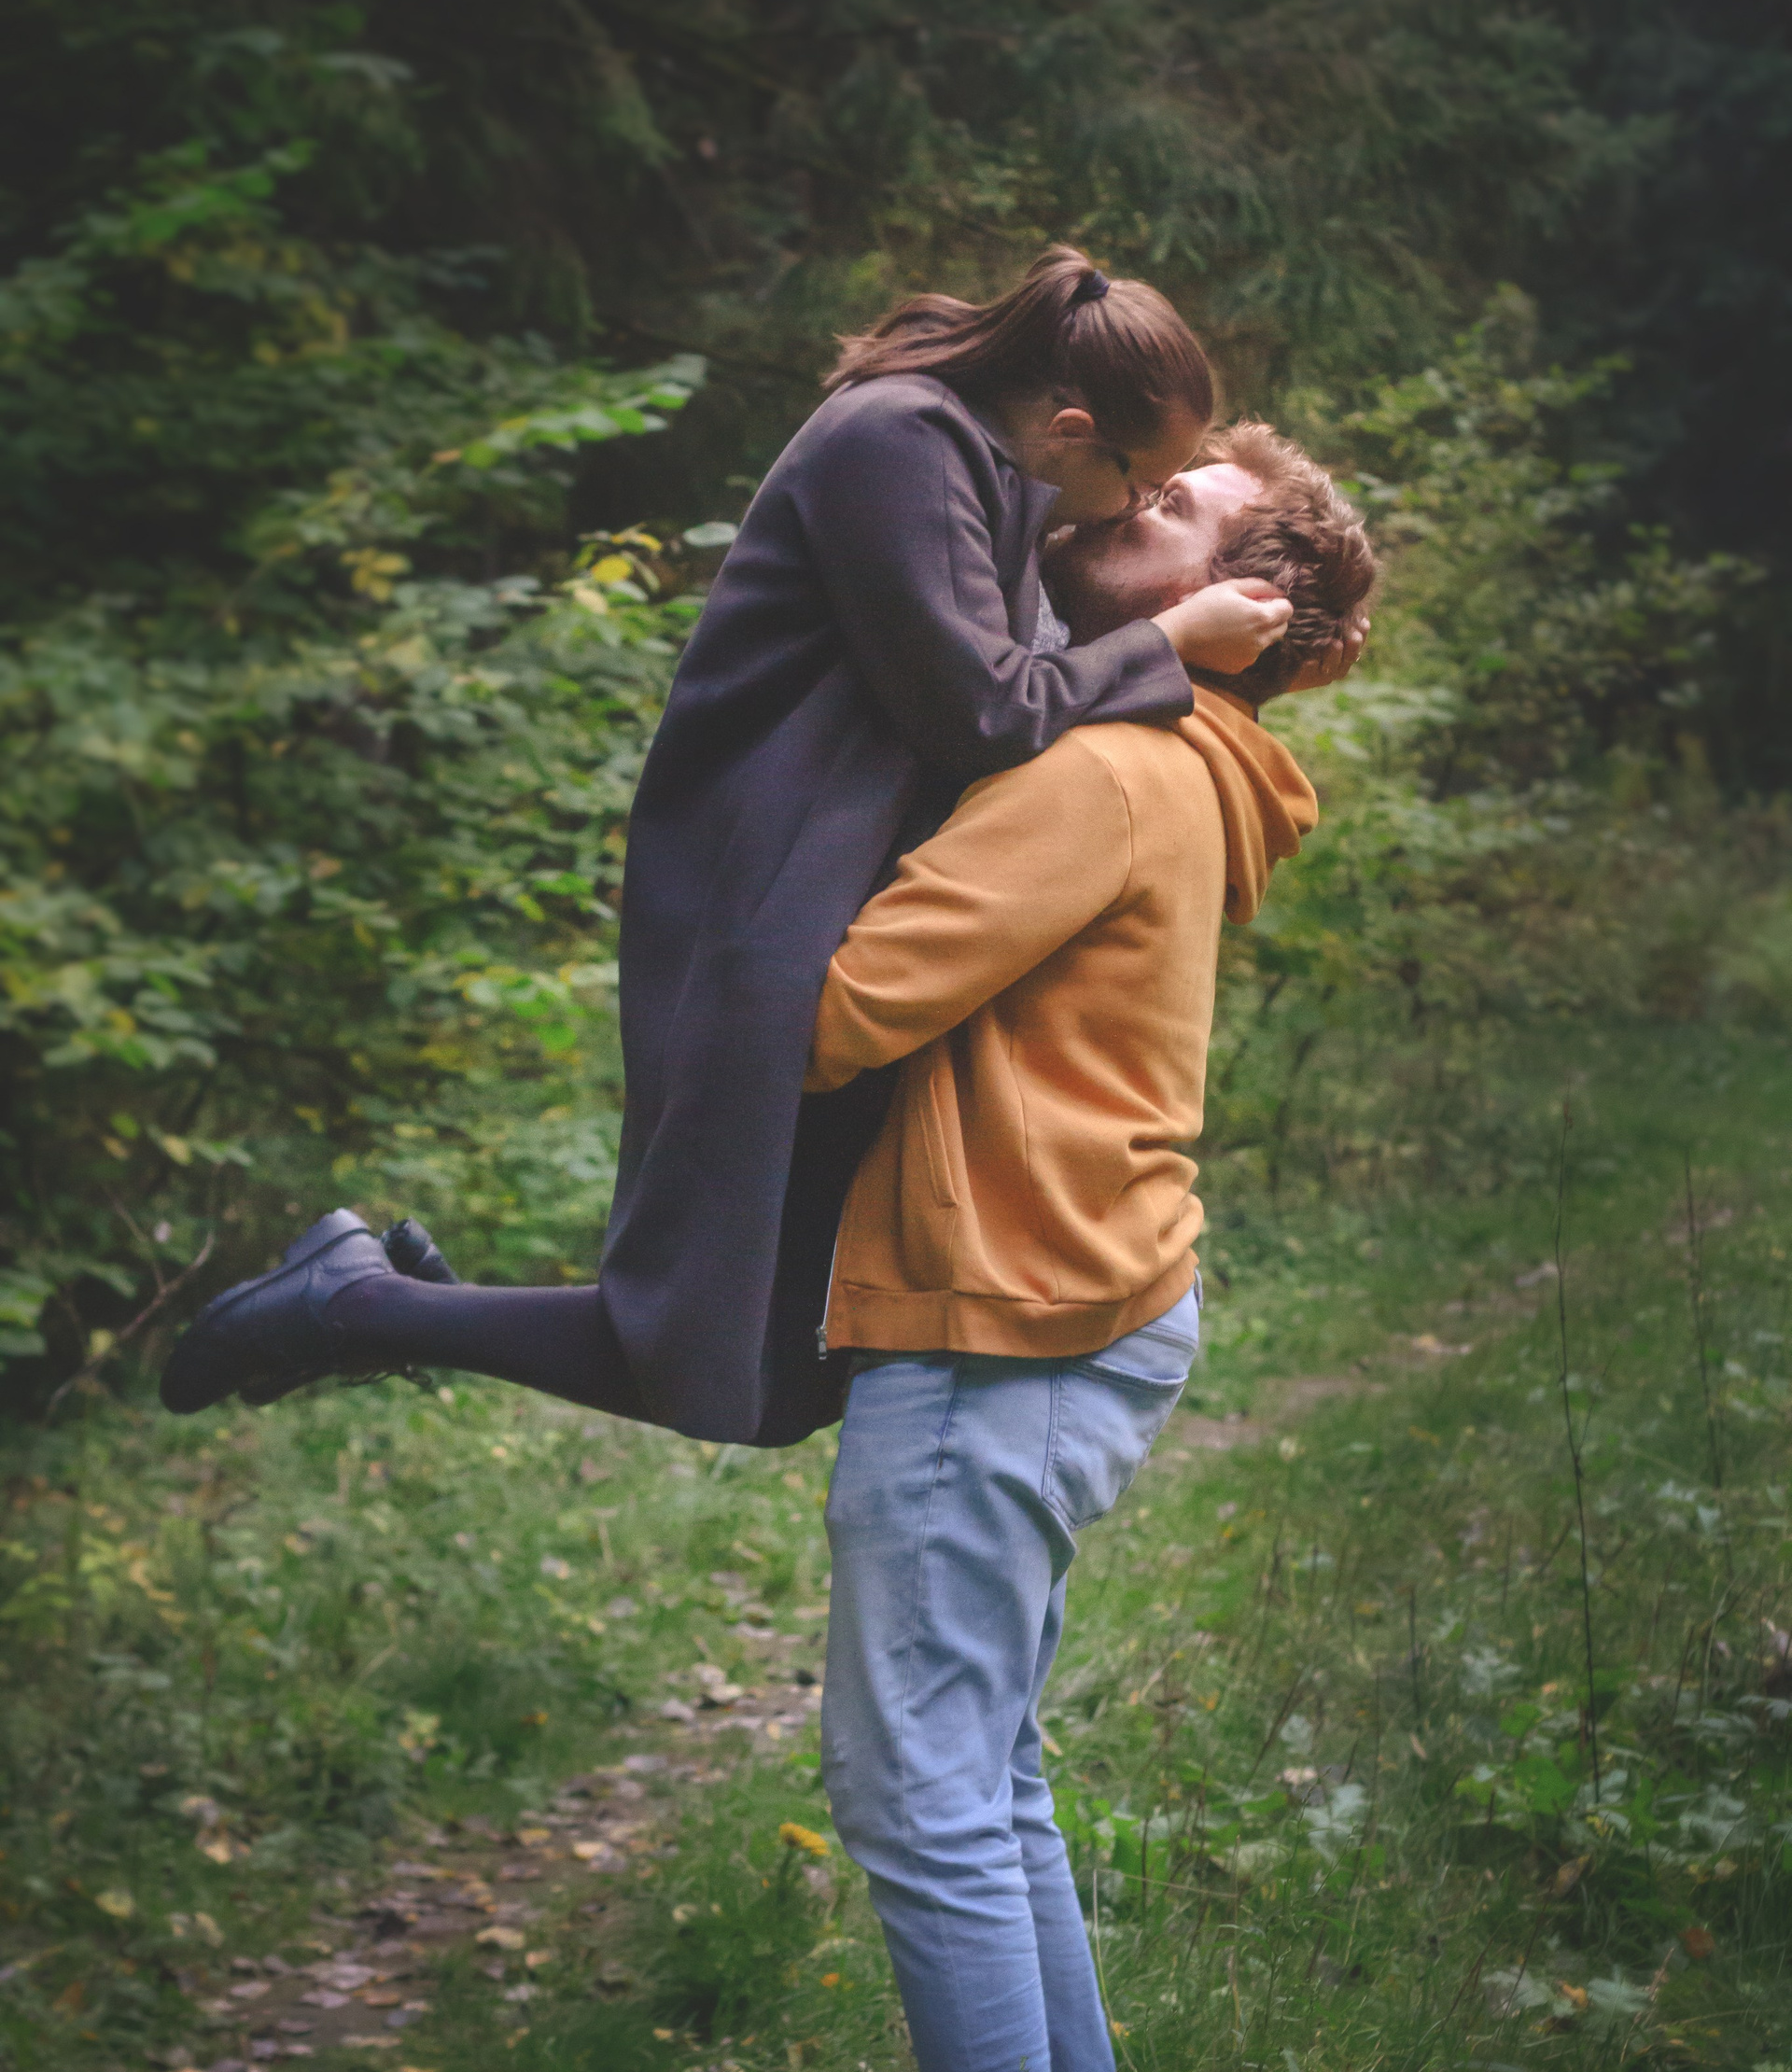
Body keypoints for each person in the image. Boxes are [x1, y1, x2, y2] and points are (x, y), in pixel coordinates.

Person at [161, 255, 1362, 1430]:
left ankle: (374, 1305)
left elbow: (1057, 651)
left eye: (1164, 501)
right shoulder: (901, 440)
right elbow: (992, 707)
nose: (1133, 507)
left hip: (832, 893)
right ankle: (364, 1304)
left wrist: (1290, 647)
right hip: (766, 905)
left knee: (777, 1367)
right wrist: (1178, 641)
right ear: (1069, 429)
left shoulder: (991, 477)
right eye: (1146, 484)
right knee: (731, 1350)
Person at [782, 435, 1376, 2072]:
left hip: (1005, 1318)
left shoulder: (1107, 770)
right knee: (990, 1764)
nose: (1131, 499)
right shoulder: (1192, 764)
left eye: (1178, 503)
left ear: (1239, 601)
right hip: (1080, 1296)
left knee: (916, 1787)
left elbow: (834, 1011)